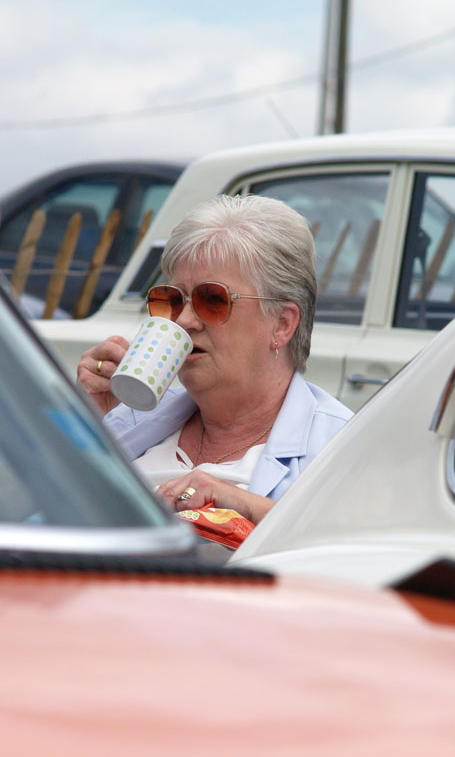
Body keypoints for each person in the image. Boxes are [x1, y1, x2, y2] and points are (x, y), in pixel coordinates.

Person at [77, 194, 353, 526]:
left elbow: (363, 550)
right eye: (172, 300)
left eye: (212, 300)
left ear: (281, 324)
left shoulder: (340, 444)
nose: (183, 320)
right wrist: (84, 424)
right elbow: (14, 508)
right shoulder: (135, 417)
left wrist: (244, 505)